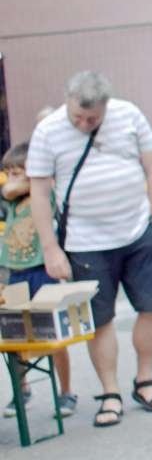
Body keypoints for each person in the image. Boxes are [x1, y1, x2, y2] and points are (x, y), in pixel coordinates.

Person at [27, 71, 152, 427]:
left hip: (138, 231)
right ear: (67, 100)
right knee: (99, 319)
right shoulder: (48, 131)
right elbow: (40, 193)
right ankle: (110, 392)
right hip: (85, 242)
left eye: (92, 119)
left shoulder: (129, 114)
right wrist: (50, 249)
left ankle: (145, 380)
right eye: (78, 116)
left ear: (107, 106)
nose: (84, 124)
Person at [1, 143, 77, 419]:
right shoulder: (11, 200)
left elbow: (38, 188)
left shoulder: (44, 195)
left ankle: (66, 391)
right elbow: (8, 191)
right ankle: (22, 389)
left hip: (42, 271)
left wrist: (31, 180)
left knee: (52, 335)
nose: (10, 179)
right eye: (8, 173)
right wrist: (15, 182)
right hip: (16, 273)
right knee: (15, 335)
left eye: (17, 173)